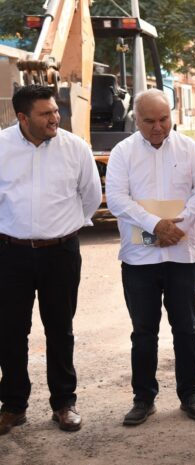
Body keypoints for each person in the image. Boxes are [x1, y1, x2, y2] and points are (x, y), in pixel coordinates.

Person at [105, 89, 195, 426]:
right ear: (136, 120)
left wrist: (178, 226)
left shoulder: (189, 148)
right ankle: (143, 398)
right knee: (143, 332)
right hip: (139, 260)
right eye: (149, 121)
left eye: (164, 119)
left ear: (172, 115)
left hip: (182, 255)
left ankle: (190, 394)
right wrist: (157, 225)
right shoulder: (123, 152)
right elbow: (116, 199)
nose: (158, 127)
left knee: (186, 328)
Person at [0, 85, 101, 435]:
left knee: (60, 329)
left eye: (56, 110)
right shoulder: (1, 147)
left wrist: (62, 230)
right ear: (23, 117)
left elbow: (91, 197)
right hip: (10, 253)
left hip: (60, 252)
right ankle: (13, 406)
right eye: (46, 113)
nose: (55, 117)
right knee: (10, 330)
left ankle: (63, 404)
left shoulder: (75, 148)